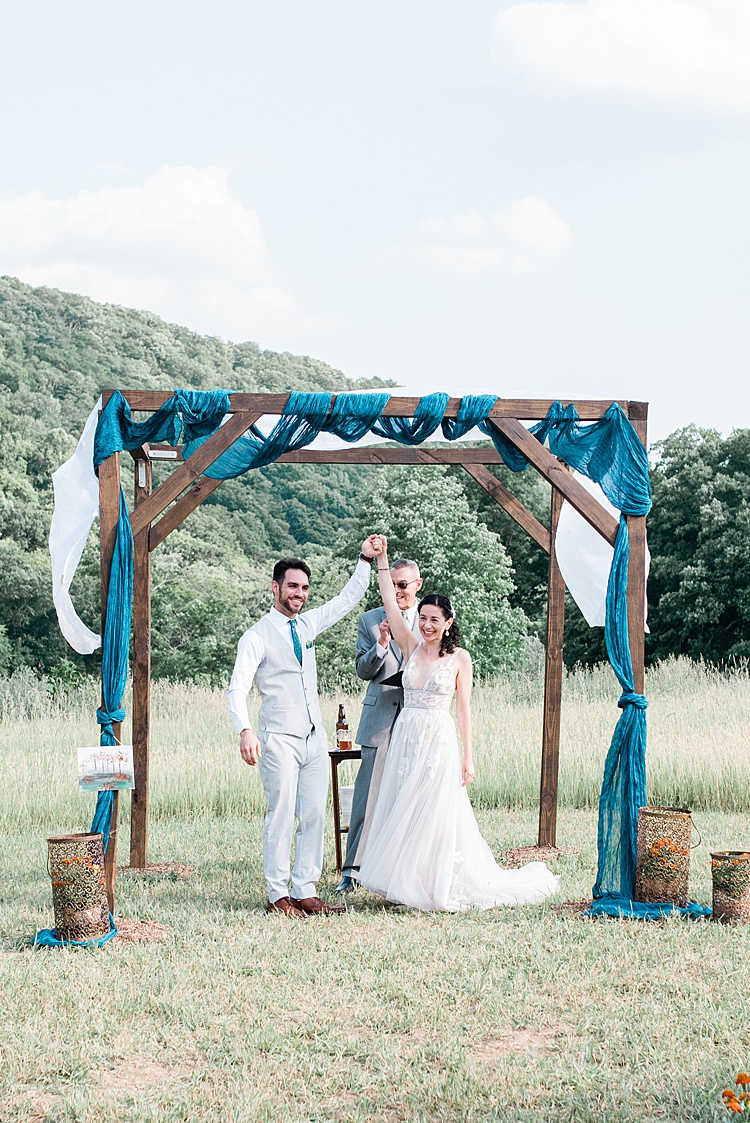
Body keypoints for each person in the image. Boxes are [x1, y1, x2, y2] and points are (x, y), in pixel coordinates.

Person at [357, 535, 560, 912]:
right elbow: (388, 598)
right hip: (406, 736)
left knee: (435, 810)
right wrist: (382, 560)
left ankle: (438, 883)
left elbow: (464, 710)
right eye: (423, 619)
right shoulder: (409, 647)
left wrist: (469, 757)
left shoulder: (460, 659)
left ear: (449, 623)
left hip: (439, 738)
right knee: (406, 806)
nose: (428, 625)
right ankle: (407, 881)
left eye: (435, 620)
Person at [227, 536, 380, 918]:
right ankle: (278, 895)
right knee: (281, 815)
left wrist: (364, 558)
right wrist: (244, 729)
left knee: (314, 815)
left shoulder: (307, 624)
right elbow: (237, 688)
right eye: (293, 586)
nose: (300, 593)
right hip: (277, 739)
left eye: (305, 588)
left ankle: (306, 890)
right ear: (276, 587)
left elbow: (346, 601)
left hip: (315, 738)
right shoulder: (256, 636)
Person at [335, 558, 423, 894]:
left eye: (403, 584)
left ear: (418, 584)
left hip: (418, 717)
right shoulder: (370, 620)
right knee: (368, 794)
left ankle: (406, 869)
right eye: (392, 584)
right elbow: (363, 669)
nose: (397, 590)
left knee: (415, 790)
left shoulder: (429, 618)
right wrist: (382, 644)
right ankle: (352, 870)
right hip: (380, 716)